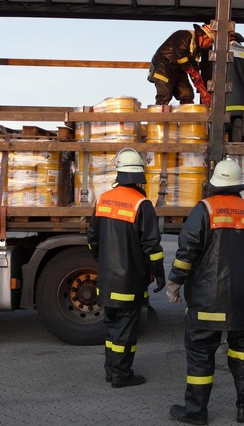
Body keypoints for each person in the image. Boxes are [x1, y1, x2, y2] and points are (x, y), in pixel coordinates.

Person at [167, 160, 244, 425]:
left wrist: (175, 283)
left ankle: (196, 412)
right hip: (242, 301)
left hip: (205, 301)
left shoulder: (204, 209)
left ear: (214, 184)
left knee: (200, 356)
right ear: (239, 186)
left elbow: (186, 251)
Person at [86, 148, 166, 388]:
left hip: (107, 279)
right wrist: (159, 273)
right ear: (140, 175)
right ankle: (122, 375)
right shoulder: (142, 204)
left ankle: (110, 369)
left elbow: (92, 237)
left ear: (119, 172)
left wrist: (104, 262)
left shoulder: (103, 199)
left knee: (111, 328)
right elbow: (152, 246)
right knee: (126, 331)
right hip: (130, 281)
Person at [148, 23, 215, 106]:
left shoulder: (195, 49)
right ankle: (158, 118)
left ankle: (187, 118)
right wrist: (192, 72)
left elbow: (193, 67)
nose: (210, 45)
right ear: (205, 36)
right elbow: (180, 55)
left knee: (187, 95)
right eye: (211, 41)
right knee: (165, 94)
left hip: (178, 69)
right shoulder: (185, 35)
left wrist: (201, 88)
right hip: (163, 66)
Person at [225, 31, 244, 142]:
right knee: (241, 119)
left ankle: (231, 128)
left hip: (228, 99)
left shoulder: (223, 51)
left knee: (224, 129)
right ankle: (240, 127)